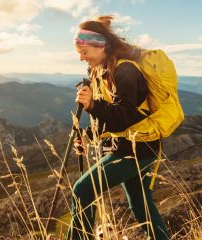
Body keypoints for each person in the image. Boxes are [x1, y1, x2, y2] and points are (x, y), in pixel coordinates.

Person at [67, 15, 170, 240]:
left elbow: (124, 116)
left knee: (82, 191)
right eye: (79, 53)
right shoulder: (101, 71)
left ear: (101, 46)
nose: (81, 58)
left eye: (84, 52)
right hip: (135, 145)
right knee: (141, 205)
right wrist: (86, 135)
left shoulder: (126, 71)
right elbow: (110, 118)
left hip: (134, 148)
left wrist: (92, 104)